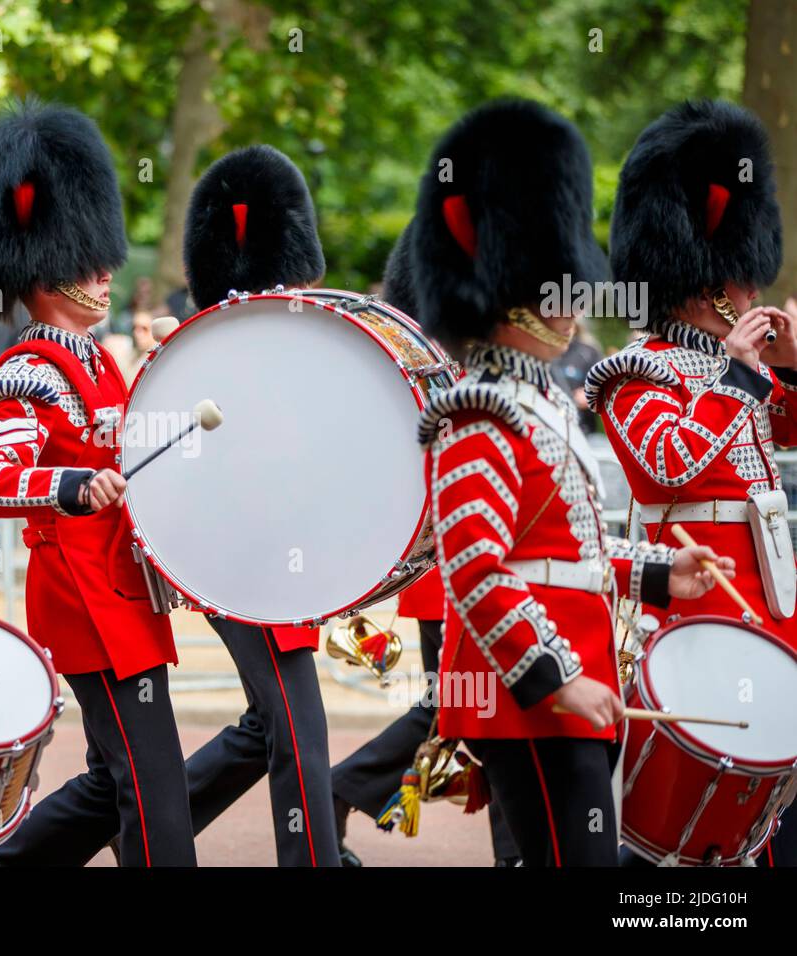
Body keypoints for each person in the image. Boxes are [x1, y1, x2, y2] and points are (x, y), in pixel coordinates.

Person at [410, 99, 726, 866]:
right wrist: (554, 682)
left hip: (571, 685)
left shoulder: (539, 403)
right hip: (536, 698)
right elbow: (476, 572)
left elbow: (564, 551)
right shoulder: (480, 414)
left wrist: (658, 570)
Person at [0, 100, 195, 867]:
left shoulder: (96, 361)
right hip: (85, 595)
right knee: (151, 782)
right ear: (47, 271)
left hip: (121, 585)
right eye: (89, 261)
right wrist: (66, 486)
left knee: (114, 777)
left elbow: (123, 452)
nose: (105, 271)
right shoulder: (26, 369)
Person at [584, 100, 797, 866]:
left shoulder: (737, 370)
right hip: (695, 610)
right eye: (734, 281)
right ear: (698, 286)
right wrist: (739, 377)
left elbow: (786, 431)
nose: (745, 293)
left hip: (772, 605)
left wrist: (789, 367)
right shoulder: (634, 371)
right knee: (676, 834)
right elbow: (667, 464)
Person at [143, 144, 340, 867]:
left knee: (270, 728)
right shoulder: (213, 355)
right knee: (301, 736)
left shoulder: (281, 351)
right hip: (243, 568)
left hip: (276, 566)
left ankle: (146, 823)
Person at [330, 224, 520, 867]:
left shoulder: (465, 365)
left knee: (472, 706)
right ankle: (342, 789)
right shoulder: (442, 373)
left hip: (466, 562)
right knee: (468, 704)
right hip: (456, 565)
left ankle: (343, 790)